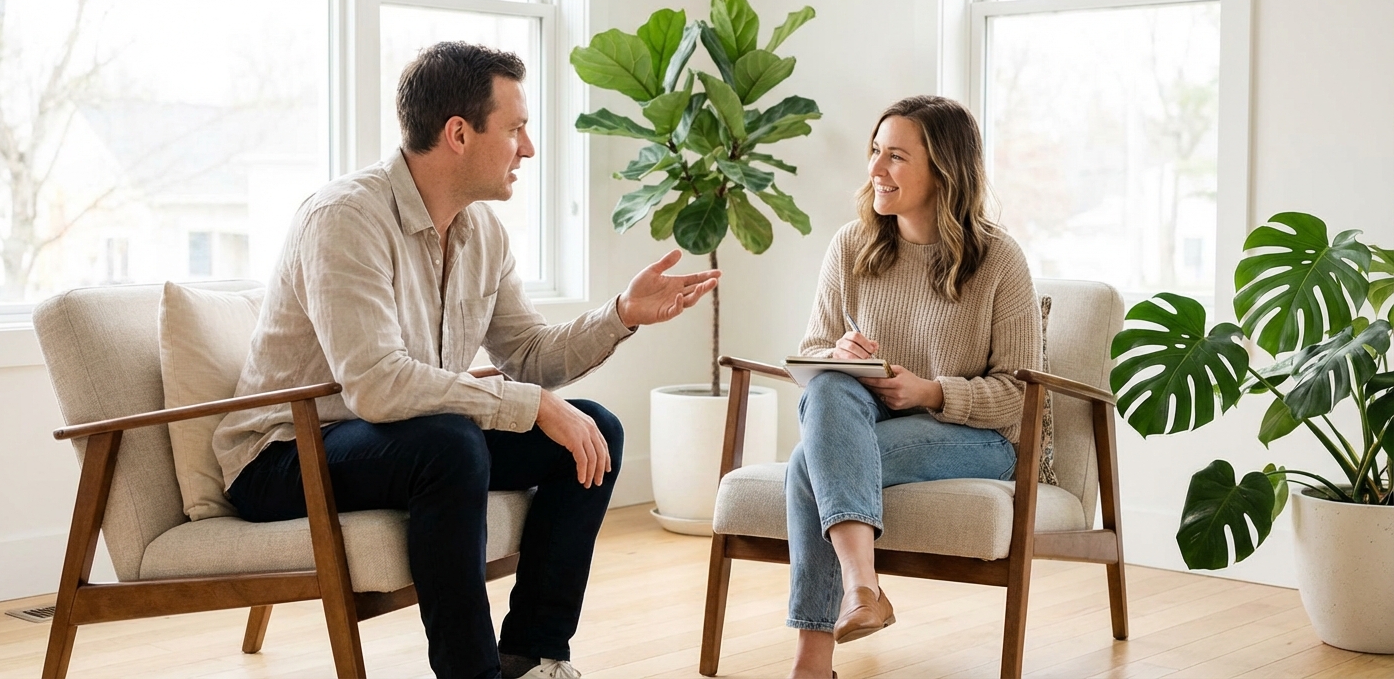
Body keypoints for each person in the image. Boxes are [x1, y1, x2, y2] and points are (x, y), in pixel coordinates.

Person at [213, 41, 720, 679]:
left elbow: (529, 356)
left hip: (397, 437)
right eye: (515, 129)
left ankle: (533, 656)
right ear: (458, 133)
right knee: (452, 444)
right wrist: (529, 405)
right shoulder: (345, 218)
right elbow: (375, 386)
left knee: (594, 433)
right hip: (285, 453)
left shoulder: (484, 233)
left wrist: (621, 313)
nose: (528, 149)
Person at [784, 95, 1041, 679]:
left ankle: (812, 663)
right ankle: (862, 589)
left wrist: (931, 393)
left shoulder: (999, 260)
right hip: (866, 422)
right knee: (827, 389)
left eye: (895, 157)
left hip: (976, 439)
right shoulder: (852, 245)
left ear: (944, 170)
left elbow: (1019, 394)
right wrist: (837, 355)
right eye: (875, 152)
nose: (875, 169)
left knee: (808, 464)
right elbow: (812, 350)